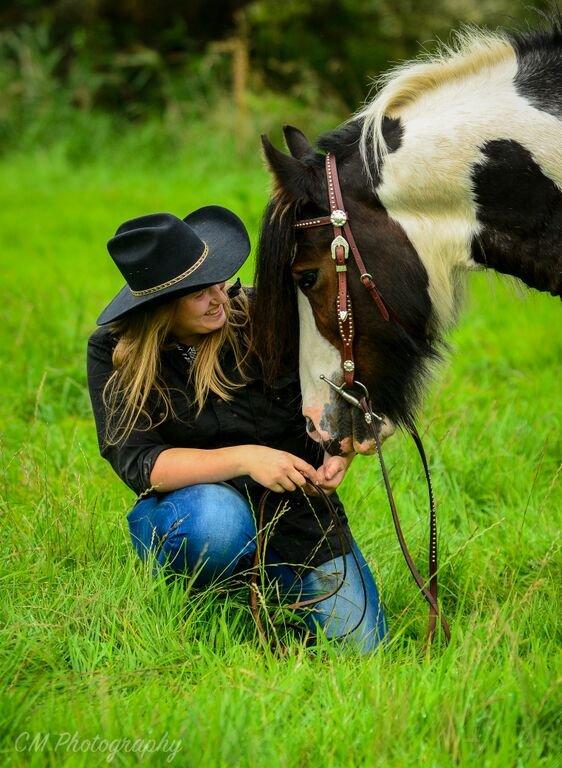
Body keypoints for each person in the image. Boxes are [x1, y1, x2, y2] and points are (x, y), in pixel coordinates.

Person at [87, 205, 387, 652]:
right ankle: (211, 591)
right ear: (159, 308)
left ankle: (275, 588)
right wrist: (247, 458)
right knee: (218, 521)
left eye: (219, 283)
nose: (220, 299)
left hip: (297, 514)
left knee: (365, 648)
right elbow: (139, 462)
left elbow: (355, 377)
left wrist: (344, 441)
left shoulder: (267, 314)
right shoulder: (116, 350)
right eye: (198, 294)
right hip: (197, 511)